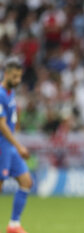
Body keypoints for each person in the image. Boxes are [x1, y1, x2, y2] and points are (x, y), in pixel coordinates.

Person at [0, 58, 32, 233]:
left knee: (26, 181)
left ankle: (13, 225)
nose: (18, 80)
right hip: (2, 146)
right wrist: (19, 146)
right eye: (14, 76)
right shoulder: (0, 93)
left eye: (20, 76)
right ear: (6, 74)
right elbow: (1, 124)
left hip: (9, 147)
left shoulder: (10, 93)